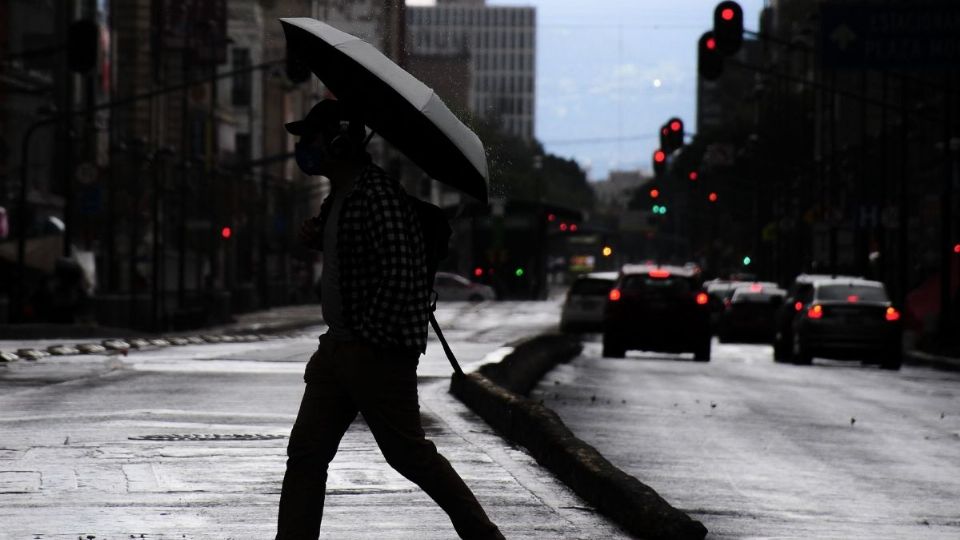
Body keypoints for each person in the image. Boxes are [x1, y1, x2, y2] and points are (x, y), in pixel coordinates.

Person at [276, 100, 504, 540]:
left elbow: (401, 273)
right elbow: (358, 260)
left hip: (375, 353)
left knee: (409, 456)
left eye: (313, 138)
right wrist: (319, 238)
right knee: (306, 455)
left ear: (341, 140)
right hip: (337, 350)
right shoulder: (340, 197)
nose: (305, 147)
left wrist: (366, 341)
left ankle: (485, 536)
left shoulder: (377, 195)